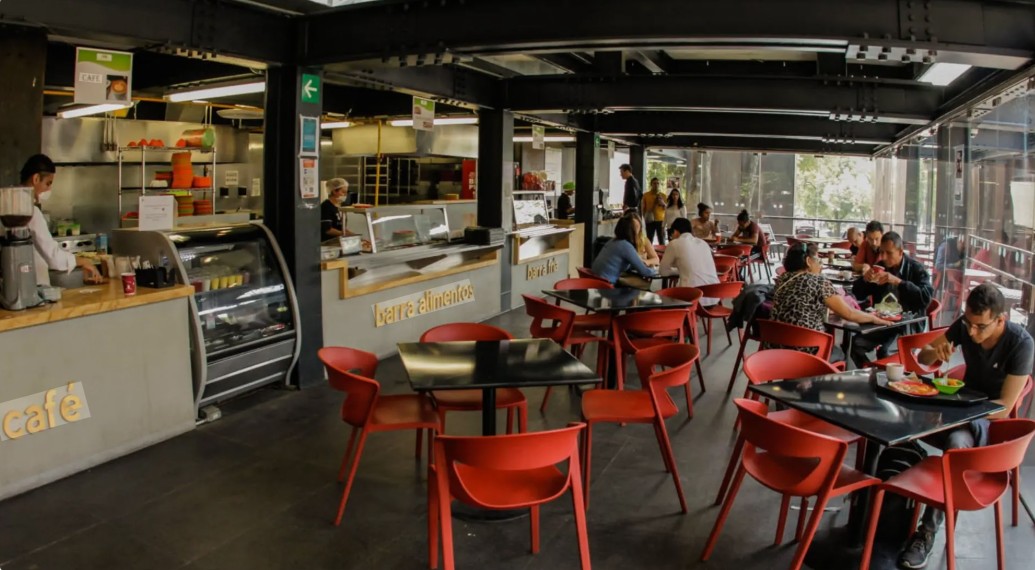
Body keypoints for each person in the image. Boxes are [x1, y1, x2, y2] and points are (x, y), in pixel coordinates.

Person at [896, 283, 1034, 569]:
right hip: (959, 403)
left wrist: (957, 415)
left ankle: (926, 531)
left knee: (956, 446)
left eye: (980, 327)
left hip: (986, 418)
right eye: (968, 323)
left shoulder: (1021, 344)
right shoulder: (965, 325)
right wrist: (936, 352)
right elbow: (922, 360)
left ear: (1000, 320)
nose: (971, 332)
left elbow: (1004, 408)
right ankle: (890, 513)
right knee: (896, 421)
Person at [767, 243, 889, 361]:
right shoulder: (818, 281)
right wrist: (873, 318)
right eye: (819, 261)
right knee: (841, 353)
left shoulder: (783, 280)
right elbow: (849, 313)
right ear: (809, 261)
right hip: (807, 350)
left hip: (778, 347)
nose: (821, 266)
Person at [850, 231, 933, 368]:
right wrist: (865, 280)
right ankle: (872, 373)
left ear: (900, 252)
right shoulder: (880, 266)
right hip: (882, 322)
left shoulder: (916, 269)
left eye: (889, 253)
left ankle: (885, 379)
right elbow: (857, 294)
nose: (883, 257)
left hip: (907, 324)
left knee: (885, 351)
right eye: (881, 252)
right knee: (855, 344)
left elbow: (925, 298)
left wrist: (899, 282)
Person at [17, 154, 100, 286]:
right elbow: (53, 257)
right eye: (48, 183)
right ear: (36, 178)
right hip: (32, 287)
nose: (49, 189)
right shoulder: (30, 212)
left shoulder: (8, 204)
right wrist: (83, 261)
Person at [660, 217, 719, 304]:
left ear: (675, 232)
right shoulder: (703, 243)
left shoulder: (674, 243)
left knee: (666, 297)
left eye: (671, 234)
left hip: (693, 298)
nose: (671, 237)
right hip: (715, 296)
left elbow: (663, 272)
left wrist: (678, 270)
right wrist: (683, 270)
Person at [591, 213, 658, 287]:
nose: (638, 231)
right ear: (630, 230)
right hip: (607, 285)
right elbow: (645, 272)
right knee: (645, 284)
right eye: (636, 228)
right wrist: (656, 271)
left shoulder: (612, 241)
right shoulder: (626, 246)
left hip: (595, 282)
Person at [640, 177, 668, 245]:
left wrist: (663, 203)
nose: (656, 185)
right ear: (651, 184)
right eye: (654, 183)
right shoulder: (646, 195)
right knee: (649, 238)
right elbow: (643, 208)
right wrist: (643, 218)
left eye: (658, 183)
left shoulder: (663, 195)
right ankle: (650, 253)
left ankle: (662, 254)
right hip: (650, 220)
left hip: (660, 220)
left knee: (661, 238)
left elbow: (667, 209)